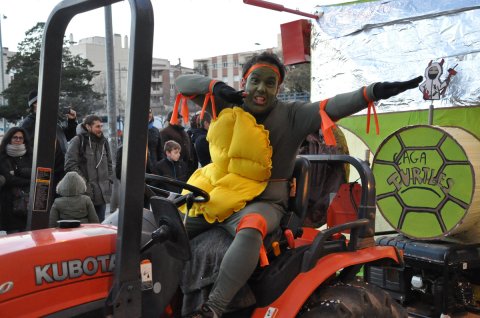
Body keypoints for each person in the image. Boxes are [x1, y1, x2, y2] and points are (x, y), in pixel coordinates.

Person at [174, 51, 422, 317]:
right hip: (220, 194)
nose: (261, 89)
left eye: (270, 83)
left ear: (278, 88)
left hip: (263, 202)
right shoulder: (227, 104)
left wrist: (373, 91)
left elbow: (334, 105)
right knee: (167, 227)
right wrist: (217, 87)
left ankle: (213, 307)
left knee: (251, 228)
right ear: (245, 81)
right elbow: (182, 84)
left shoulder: (293, 115)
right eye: (255, 80)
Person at [21, 90, 78, 185]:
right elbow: (27, 147)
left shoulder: (51, 119)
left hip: (62, 168)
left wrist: (72, 121)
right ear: (35, 104)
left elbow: (67, 137)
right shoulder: (29, 123)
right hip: (46, 171)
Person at [65, 115, 113, 222]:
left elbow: (109, 163)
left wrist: (109, 179)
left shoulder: (103, 142)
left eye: (101, 126)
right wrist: (83, 183)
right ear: (88, 126)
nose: (100, 129)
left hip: (102, 196)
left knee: (99, 227)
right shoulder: (78, 141)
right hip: (85, 195)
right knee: (85, 229)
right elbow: (69, 165)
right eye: (97, 127)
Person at [0, 127, 33, 233]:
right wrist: (29, 181)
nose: (18, 140)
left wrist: (18, 173)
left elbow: (35, 174)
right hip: (9, 203)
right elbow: (8, 179)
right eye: (15, 137)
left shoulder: (30, 156)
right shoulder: (2, 157)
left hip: (27, 204)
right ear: (9, 138)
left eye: (21, 138)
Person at [159, 111, 198, 178]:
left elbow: (191, 149)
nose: (180, 119)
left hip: (187, 167)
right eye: (177, 117)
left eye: (180, 117)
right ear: (171, 119)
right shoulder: (164, 132)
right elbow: (164, 151)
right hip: (175, 169)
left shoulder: (184, 132)